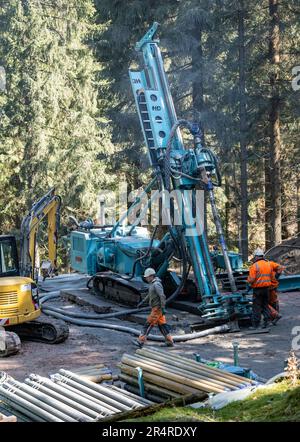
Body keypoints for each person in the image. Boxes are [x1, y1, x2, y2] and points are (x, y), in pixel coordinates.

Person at [133, 268, 174, 348]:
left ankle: (140, 341)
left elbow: (162, 296)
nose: (146, 278)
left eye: (147, 277)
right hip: (156, 308)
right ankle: (169, 342)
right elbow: (149, 295)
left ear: (151, 276)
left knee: (148, 324)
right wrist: (142, 302)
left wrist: (162, 308)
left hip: (157, 309)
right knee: (162, 325)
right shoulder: (152, 284)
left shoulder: (156, 284)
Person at [247, 248, 282, 329]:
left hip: (258, 290)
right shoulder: (268, 264)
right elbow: (278, 269)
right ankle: (266, 322)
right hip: (266, 289)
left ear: (256, 257)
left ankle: (256, 325)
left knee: (257, 307)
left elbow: (251, 279)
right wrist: (276, 277)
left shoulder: (254, 266)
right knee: (265, 305)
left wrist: (247, 281)